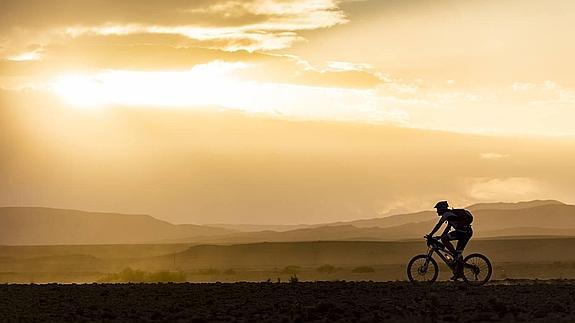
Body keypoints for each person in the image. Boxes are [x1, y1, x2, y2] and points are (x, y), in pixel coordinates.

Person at [425, 201, 473, 280]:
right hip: (465, 232)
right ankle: (459, 273)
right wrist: (440, 237)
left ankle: (454, 256)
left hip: (464, 233)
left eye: (438, 209)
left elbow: (438, 225)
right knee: (458, 254)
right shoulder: (450, 216)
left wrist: (431, 234)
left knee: (446, 242)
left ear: (441, 209)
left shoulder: (446, 214)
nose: (437, 211)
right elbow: (447, 229)